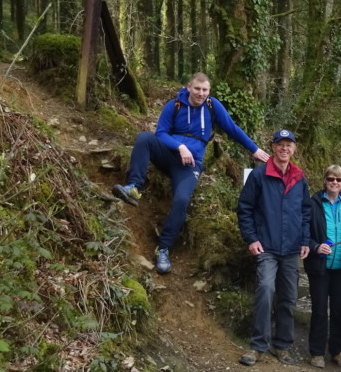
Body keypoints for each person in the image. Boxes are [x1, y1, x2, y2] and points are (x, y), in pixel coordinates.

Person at [112, 72, 270, 273]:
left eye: (205, 90)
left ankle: (164, 249)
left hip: (189, 166)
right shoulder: (174, 105)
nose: (201, 93)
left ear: (209, 91)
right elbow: (160, 133)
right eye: (197, 89)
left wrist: (254, 149)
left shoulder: (212, 106)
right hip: (168, 155)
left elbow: (232, 129)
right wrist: (180, 147)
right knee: (144, 138)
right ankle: (134, 187)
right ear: (188, 87)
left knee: (181, 201)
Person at [236, 130, 311, 367]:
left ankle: (282, 346)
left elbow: (306, 213)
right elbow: (245, 208)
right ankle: (258, 346)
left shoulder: (300, 178)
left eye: (289, 145)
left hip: (291, 249)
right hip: (266, 247)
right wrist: (251, 238)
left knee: (288, 298)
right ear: (273, 147)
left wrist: (305, 240)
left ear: (294, 149)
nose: (285, 149)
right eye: (280, 144)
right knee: (266, 290)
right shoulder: (259, 175)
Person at [305, 165, 341, 369]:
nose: (334, 183)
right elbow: (303, 233)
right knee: (319, 310)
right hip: (319, 267)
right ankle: (317, 352)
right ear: (325, 180)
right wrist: (315, 247)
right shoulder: (313, 203)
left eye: (338, 180)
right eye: (331, 179)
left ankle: (337, 350)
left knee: (338, 310)